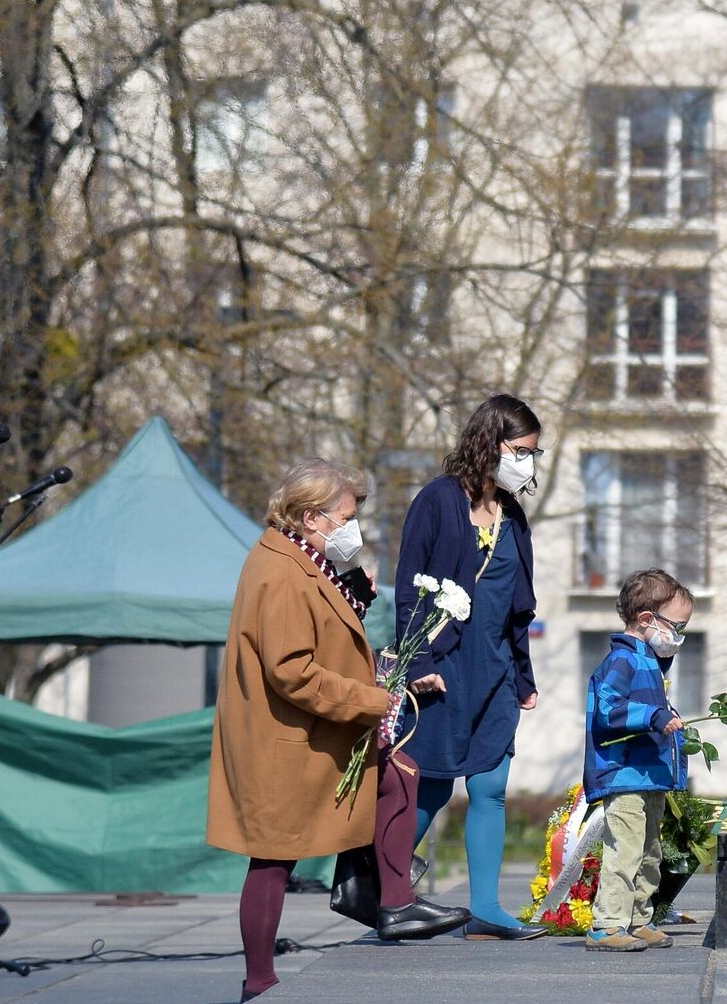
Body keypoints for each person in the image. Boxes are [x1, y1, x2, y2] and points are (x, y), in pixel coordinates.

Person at [209, 458, 466, 1002]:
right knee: (273, 858)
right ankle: (260, 980)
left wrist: (358, 599)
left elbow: (326, 637)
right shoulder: (279, 569)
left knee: (397, 773)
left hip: (316, 728)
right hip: (288, 736)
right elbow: (291, 670)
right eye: (346, 516)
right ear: (310, 517)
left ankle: (391, 900)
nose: (354, 527)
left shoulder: (303, 559)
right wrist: (376, 698)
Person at [393, 394, 545, 940]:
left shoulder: (514, 516)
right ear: (490, 442)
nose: (528, 462)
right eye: (521, 450)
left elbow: (517, 608)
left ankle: (485, 909)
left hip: (497, 676)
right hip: (443, 671)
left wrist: (524, 678)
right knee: (430, 787)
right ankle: (379, 886)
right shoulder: (437, 501)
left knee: (491, 787)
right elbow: (410, 586)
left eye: (533, 453)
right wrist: (419, 661)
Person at [582, 568, 692, 951]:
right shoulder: (622, 661)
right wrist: (653, 716)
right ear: (647, 619)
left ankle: (638, 918)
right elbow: (607, 710)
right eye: (676, 627)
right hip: (624, 775)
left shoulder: (649, 663)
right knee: (625, 850)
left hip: (648, 777)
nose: (678, 637)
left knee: (649, 852)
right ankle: (608, 923)